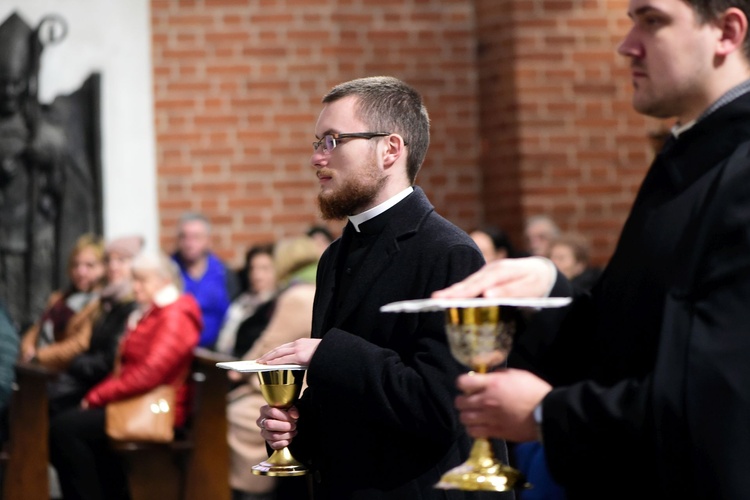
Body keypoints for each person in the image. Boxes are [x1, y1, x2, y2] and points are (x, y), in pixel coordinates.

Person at [435, 1, 750, 497]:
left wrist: (547, 415)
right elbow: (633, 341)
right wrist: (546, 289)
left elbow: (719, 401)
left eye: (653, 21)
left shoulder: (738, 171)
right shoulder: (690, 157)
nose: (627, 45)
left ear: (727, 32)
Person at [255, 76, 498, 499]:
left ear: (390, 149)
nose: (317, 157)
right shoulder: (335, 256)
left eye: (333, 140)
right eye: (317, 141)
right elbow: (350, 397)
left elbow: (443, 406)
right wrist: (297, 425)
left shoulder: (450, 253)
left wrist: (327, 352)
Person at [49, 251, 201, 500]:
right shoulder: (154, 313)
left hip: (159, 408)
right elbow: (127, 368)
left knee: (64, 430)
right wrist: (98, 396)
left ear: (163, 282)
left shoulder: (175, 315)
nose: (135, 287)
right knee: (69, 425)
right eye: (134, 280)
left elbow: (149, 374)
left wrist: (97, 397)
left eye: (142, 280)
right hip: (136, 400)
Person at [227, 236, 319, 500]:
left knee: (236, 415)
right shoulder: (313, 286)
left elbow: (269, 345)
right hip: (303, 380)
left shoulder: (296, 294)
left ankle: (252, 490)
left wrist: (235, 370)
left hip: (291, 385)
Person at [47, 235, 143, 416]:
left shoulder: (129, 306)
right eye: (109, 260)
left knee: (51, 413)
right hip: (86, 377)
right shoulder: (108, 302)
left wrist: (69, 362)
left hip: (100, 384)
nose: (113, 266)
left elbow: (108, 359)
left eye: (121, 260)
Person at [20, 233, 105, 371]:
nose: (80, 271)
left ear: (103, 268)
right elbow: (37, 329)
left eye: (89, 265)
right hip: (35, 369)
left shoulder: (99, 304)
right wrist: (27, 349)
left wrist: (40, 356)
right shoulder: (59, 298)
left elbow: (80, 344)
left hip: (61, 374)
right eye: (75, 264)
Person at [172, 212, 237, 349]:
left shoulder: (223, 272)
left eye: (196, 237)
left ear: (208, 240)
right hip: (178, 351)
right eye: (184, 237)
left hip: (216, 352)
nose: (189, 243)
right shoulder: (168, 271)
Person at [215, 243, 278, 358]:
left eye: (264, 268)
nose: (257, 275)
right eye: (252, 268)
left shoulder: (277, 305)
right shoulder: (241, 300)